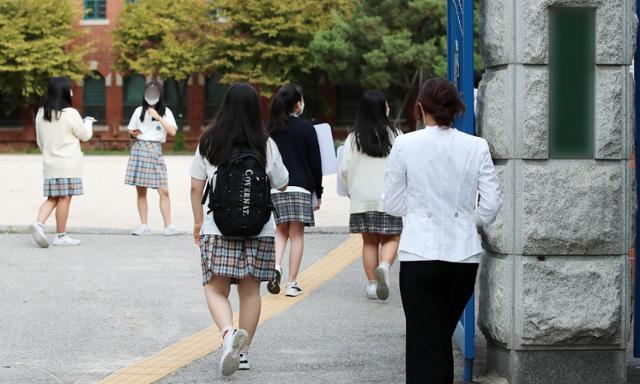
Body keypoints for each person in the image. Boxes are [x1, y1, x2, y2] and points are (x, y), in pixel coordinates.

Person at [383, 78, 502, 384]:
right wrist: (467, 221)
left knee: (425, 339)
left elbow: (393, 205)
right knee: (438, 337)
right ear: (456, 109)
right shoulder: (476, 147)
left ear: (421, 107)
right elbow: (491, 203)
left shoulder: (405, 144)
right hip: (462, 257)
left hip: (418, 253)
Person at [189, 83, 288, 377]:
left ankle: (228, 333)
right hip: (259, 229)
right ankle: (242, 354)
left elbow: (196, 186)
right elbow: (281, 182)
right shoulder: (264, 143)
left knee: (214, 288)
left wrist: (197, 221)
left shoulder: (209, 141)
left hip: (217, 227)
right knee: (250, 292)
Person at [338, 90, 402, 300]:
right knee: (392, 236)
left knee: (369, 241)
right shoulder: (397, 136)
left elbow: (344, 170)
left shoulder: (352, 139)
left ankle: (372, 285)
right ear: (384, 109)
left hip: (361, 198)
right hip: (389, 197)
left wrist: (350, 191)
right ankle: (384, 265)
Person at [266, 84, 323, 297]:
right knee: (296, 234)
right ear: (298, 104)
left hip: (276, 188)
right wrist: (319, 191)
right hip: (301, 187)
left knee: (280, 231)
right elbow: (315, 163)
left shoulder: (270, 129)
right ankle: (291, 283)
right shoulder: (307, 129)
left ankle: (276, 267)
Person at [29, 77, 93, 247]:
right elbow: (85, 135)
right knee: (64, 198)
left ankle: (39, 224)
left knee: (52, 198)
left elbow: (40, 142)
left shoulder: (41, 113)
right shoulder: (71, 113)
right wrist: (88, 123)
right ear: (65, 91)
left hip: (50, 164)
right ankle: (61, 235)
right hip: (69, 164)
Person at [125, 80, 184, 236]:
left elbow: (172, 132)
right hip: (140, 148)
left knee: (163, 190)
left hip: (156, 150)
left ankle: (168, 226)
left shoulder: (166, 112)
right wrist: (133, 133)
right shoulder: (139, 111)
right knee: (141, 191)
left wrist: (158, 117)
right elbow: (131, 130)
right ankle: (144, 226)